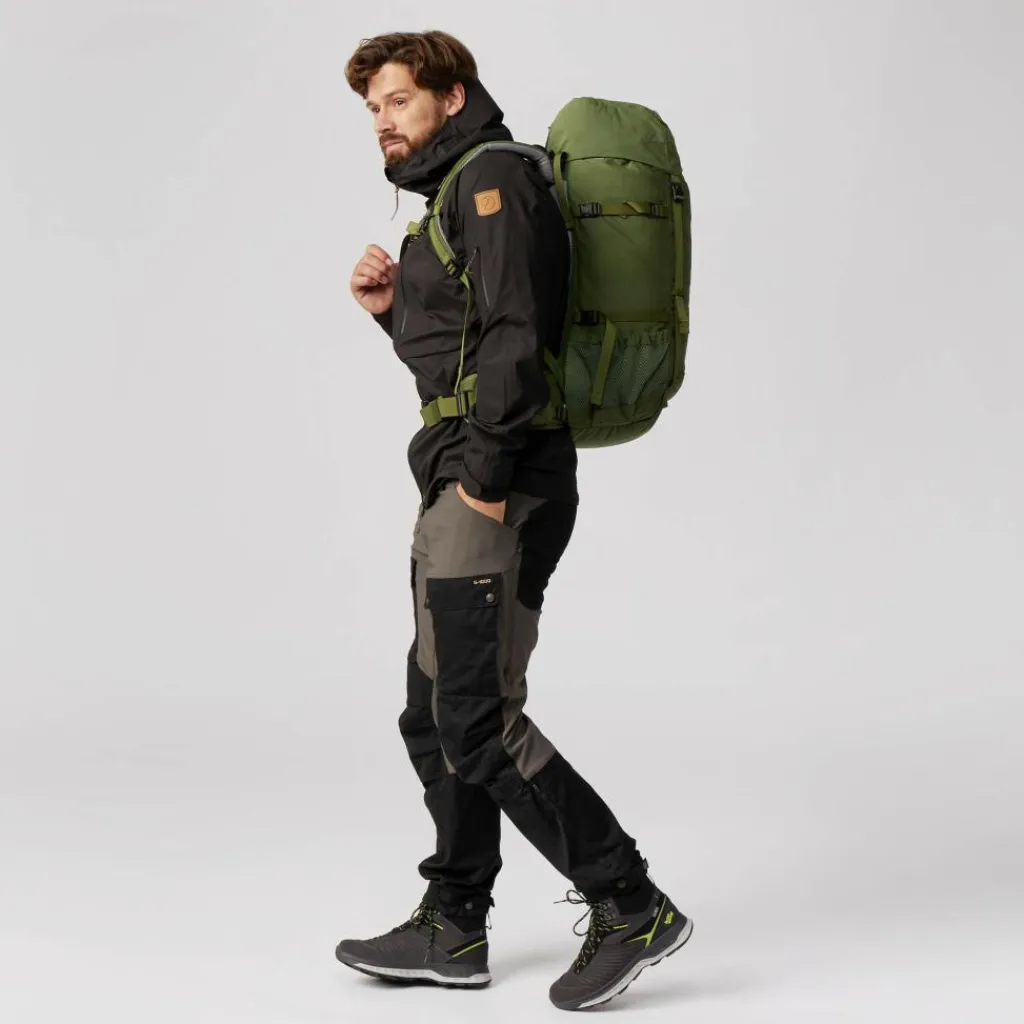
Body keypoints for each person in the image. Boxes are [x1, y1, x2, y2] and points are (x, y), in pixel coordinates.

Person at [334, 30, 693, 1012]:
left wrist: (484, 480)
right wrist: (390, 310)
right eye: (373, 108)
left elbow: (515, 334)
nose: (382, 122)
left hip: (498, 479)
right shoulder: (455, 193)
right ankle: (453, 924)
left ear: (452, 96)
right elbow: (464, 348)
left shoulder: (492, 179)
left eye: (398, 100)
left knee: (475, 718)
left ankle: (630, 903)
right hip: (463, 470)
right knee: (433, 712)